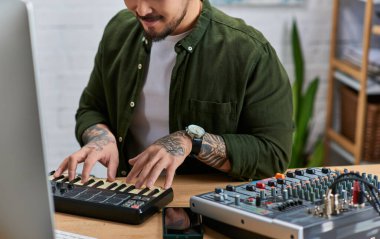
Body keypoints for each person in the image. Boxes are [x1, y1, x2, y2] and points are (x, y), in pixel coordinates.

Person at [54, 0, 293, 190]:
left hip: (204, 212)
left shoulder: (248, 51)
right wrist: (101, 138)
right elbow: (91, 108)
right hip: (129, 197)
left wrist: (192, 141)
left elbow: (273, 154)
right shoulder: (118, 31)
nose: (142, 9)